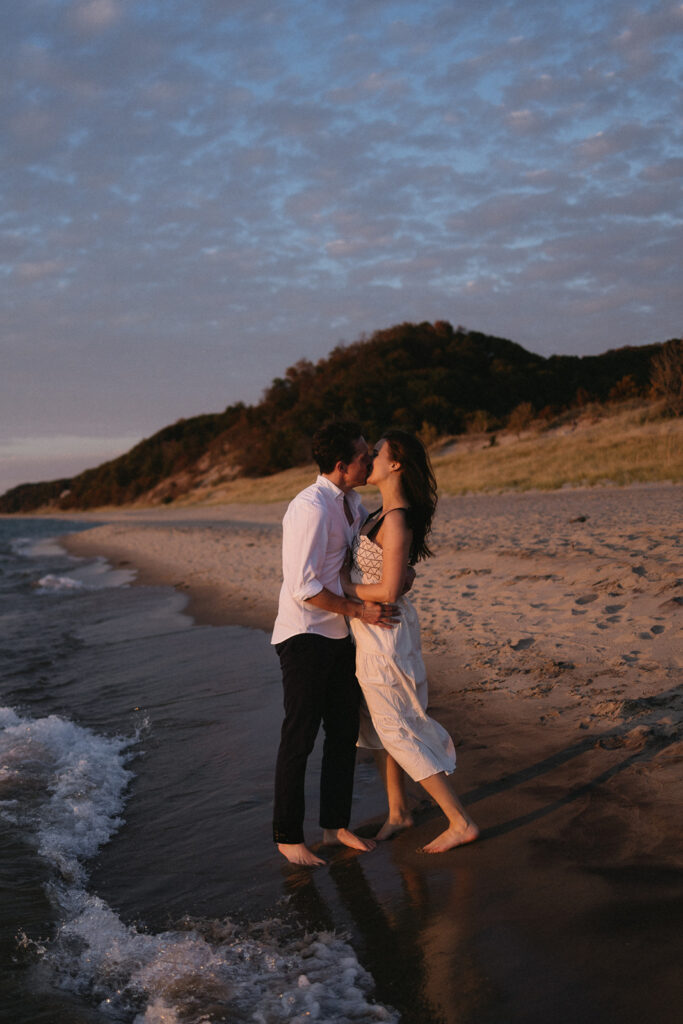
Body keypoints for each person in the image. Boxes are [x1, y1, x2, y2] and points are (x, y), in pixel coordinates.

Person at [341, 429, 478, 853]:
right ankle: (398, 811)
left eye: (376, 453)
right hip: (371, 630)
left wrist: (341, 587)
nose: (369, 459)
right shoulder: (378, 513)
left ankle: (460, 821)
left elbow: (387, 589)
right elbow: (397, 579)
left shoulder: (396, 519)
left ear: (395, 464)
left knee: (396, 726)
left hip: (385, 632)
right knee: (382, 724)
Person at [272, 420, 399, 867]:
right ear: (342, 465)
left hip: (338, 633)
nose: (370, 461)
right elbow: (303, 587)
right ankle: (288, 836)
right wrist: (362, 611)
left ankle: (335, 825)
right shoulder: (309, 508)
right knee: (300, 736)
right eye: (364, 457)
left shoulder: (352, 501)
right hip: (304, 635)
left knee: (344, 732)